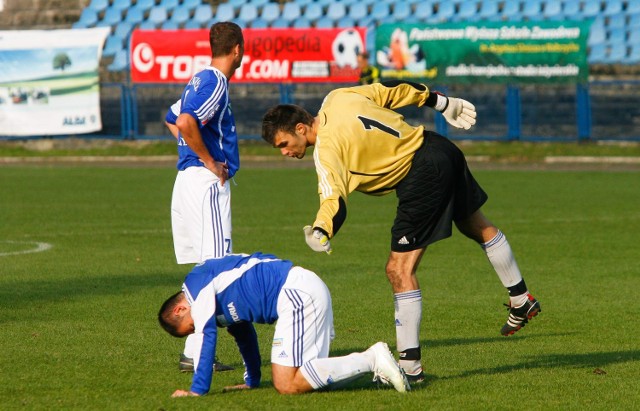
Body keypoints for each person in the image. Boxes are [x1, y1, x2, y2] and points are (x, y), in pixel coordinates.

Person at [260, 81, 541, 383]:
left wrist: (321, 230)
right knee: (474, 224)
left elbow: (334, 200)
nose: (285, 152)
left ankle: (410, 368)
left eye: (283, 144)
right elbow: (394, 89)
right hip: (438, 147)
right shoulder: (338, 97)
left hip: (421, 174)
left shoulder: (326, 151)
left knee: (398, 269)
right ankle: (521, 297)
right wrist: (442, 103)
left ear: (301, 128)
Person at [158, 252, 411, 396]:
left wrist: (197, 390)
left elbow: (207, 336)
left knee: (285, 383)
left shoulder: (196, 285)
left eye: (190, 327)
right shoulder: (214, 303)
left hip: (296, 293)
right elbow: (244, 334)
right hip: (303, 292)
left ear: (181, 309)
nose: (196, 329)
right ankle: (373, 367)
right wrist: (252, 381)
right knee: (304, 380)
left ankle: (372, 359)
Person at [166, 21, 244, 373]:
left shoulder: (199, 78)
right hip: (204, 183)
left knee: (205, 269)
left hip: (186, 182)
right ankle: (200, 357)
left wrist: (191, 152)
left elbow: (171, 117)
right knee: (216, 269)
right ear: (238, 49)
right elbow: (184, 122)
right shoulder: (216, 82)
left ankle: (193, 351)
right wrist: (208, 159)